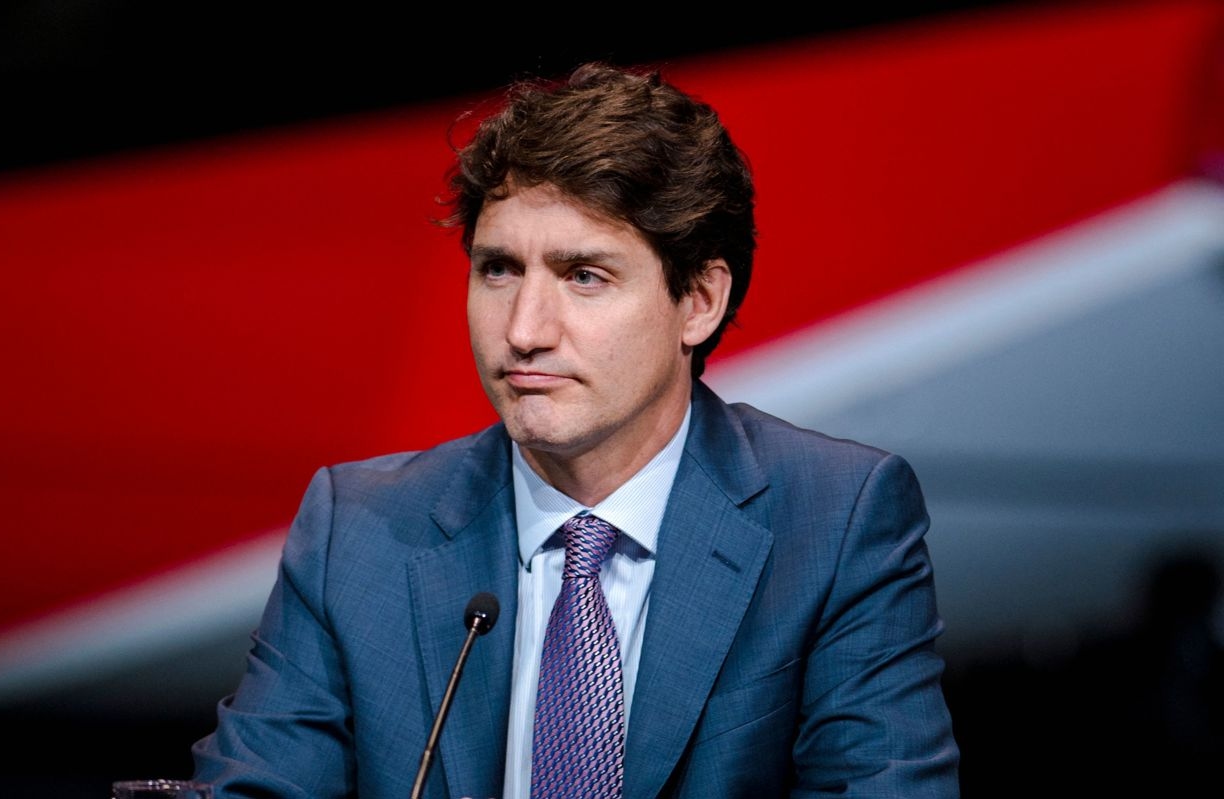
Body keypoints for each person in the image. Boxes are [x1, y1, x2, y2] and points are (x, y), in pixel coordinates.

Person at [190, 61, 961, 799]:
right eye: (498, 270)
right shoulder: (356, 531)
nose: (523, 330)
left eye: (584, 276)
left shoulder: (834, 521)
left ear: (698, 300)